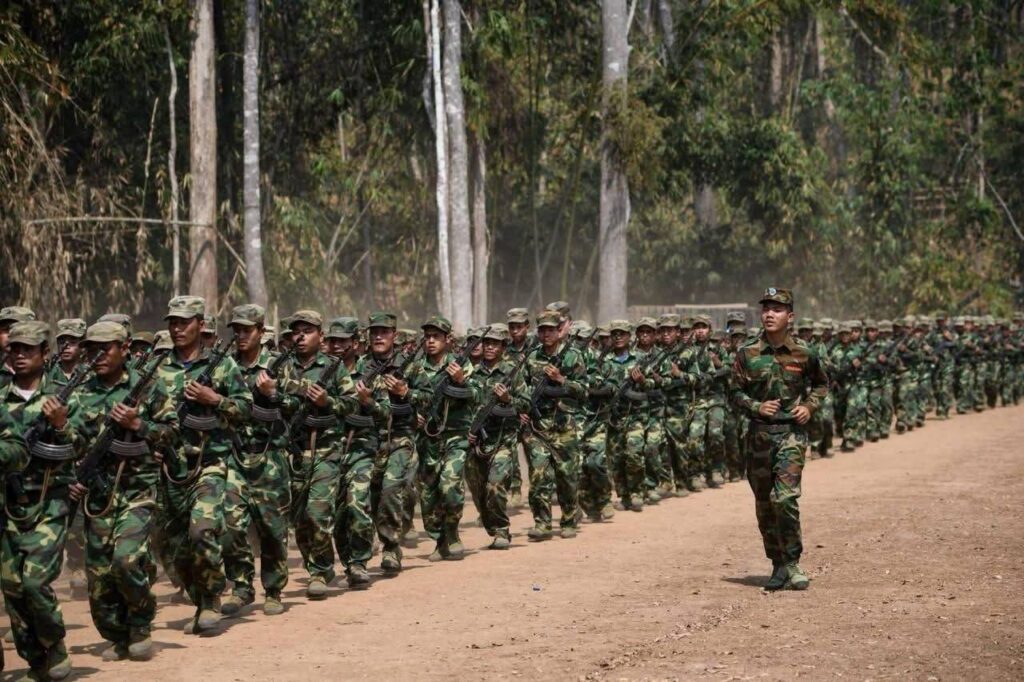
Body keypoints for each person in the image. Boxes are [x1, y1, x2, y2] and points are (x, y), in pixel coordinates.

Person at [70, 321, 177, 661]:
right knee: (99, 577)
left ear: (125, 348)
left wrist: (138, 425)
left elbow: (172, 433)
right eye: (91, 349)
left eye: (105, 349)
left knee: (126, 560)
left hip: (137, 491)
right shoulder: (81, 391)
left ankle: (140, 625)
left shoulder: (148, 386)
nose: (97, 356)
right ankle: (117, 634)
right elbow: (69, 440)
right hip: (97, 496)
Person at [154, 295, 252, 633]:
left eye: (184, 322)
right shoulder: (157, 368)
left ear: (200, 324)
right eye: (173, 322)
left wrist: (216, 400)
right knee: (176, 546)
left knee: (202, 530)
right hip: (171, 468)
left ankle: (211, 599)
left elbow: (245, 409)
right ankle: (198, 600)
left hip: (210, 464)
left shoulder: (223, 366)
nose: (177, 328)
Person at [731, 288, 828, 591]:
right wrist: (755, 406)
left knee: (784, 498)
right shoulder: (747, 353)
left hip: (790, 435)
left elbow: (821, 385)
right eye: (766, 309)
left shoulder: (805, 352)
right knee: (764, 504)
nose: (769, 314)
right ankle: (778, 563)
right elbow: (734, 392)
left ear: (791, 316)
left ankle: (793, 562)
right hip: (759, 436)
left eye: (777, 309)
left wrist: (808, 406)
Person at [0, 321, 80, 679]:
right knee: (13, 587)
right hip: (8, 505)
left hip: (49, 502)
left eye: (27, 349)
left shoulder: (63, 395)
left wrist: (61, 424)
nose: (19, 355)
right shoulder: (1, 397)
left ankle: (55, 646)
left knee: (34, 582)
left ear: (44, 354)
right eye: (14, 349)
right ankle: (35, 659)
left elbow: (83, 445)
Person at [222, 304, 292, 617]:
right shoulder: (225, 366)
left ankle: (273, 589)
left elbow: (296, 405)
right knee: (230, 523)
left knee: (272, 528)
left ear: (261, 332)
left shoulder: (279, 364)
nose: (240, 335)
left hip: (270, 457)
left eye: (247, 330)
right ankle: (241, 586)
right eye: (236, 330)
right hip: (235, 454)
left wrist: (274, 393)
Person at [521, 310, 586, 539]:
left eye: (550, 330)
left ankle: (569, 520)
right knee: (539, 476)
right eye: (542, 330)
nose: (546, 334)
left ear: (559, 331)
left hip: (563, 426)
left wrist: (561, 379)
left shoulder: (573, 356)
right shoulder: (531, 358)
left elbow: (584, 391)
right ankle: (542, 523)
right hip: (538, 428)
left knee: (566, 477)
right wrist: (522, 409)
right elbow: (521, 388)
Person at [465, 324, 529, 548]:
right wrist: (468, 430)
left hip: (503, 439)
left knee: (495, 484)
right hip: (476, 441)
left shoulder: (512, 372)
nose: (490, 347)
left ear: (503, 347)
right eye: (487, 343)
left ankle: (501, 530)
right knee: (478, 490)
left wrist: (508, 400)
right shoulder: (471, 373)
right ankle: (491, 524)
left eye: (495, 344)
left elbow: (526, 404)